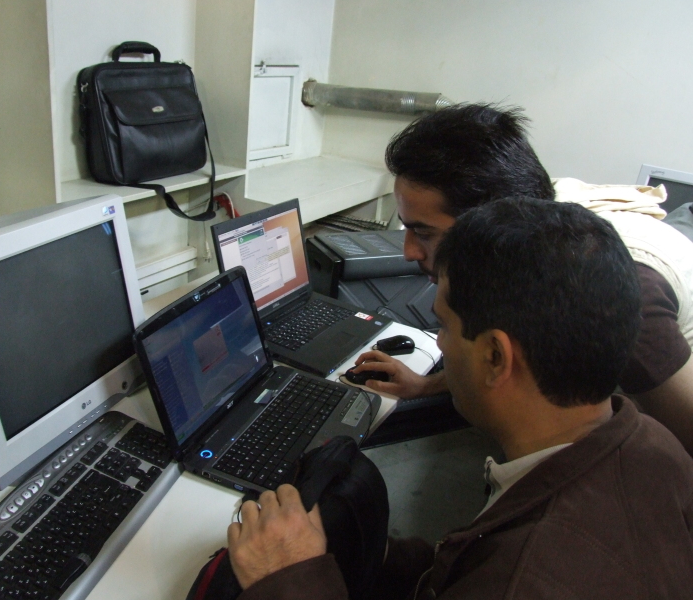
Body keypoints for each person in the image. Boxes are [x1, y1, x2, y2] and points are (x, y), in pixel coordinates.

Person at [225, 198, 693, 599]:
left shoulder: (523, 579)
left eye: (444, 326)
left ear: (495, 357)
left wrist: (291, 579)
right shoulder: (654, 445)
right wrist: (375, 555)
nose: (440, 344)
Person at [351, 103, 693, 456]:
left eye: (424, 233)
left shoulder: (608, 292)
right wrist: (427, 385)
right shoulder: (527, 227)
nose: (409, 252)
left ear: (486, 224)